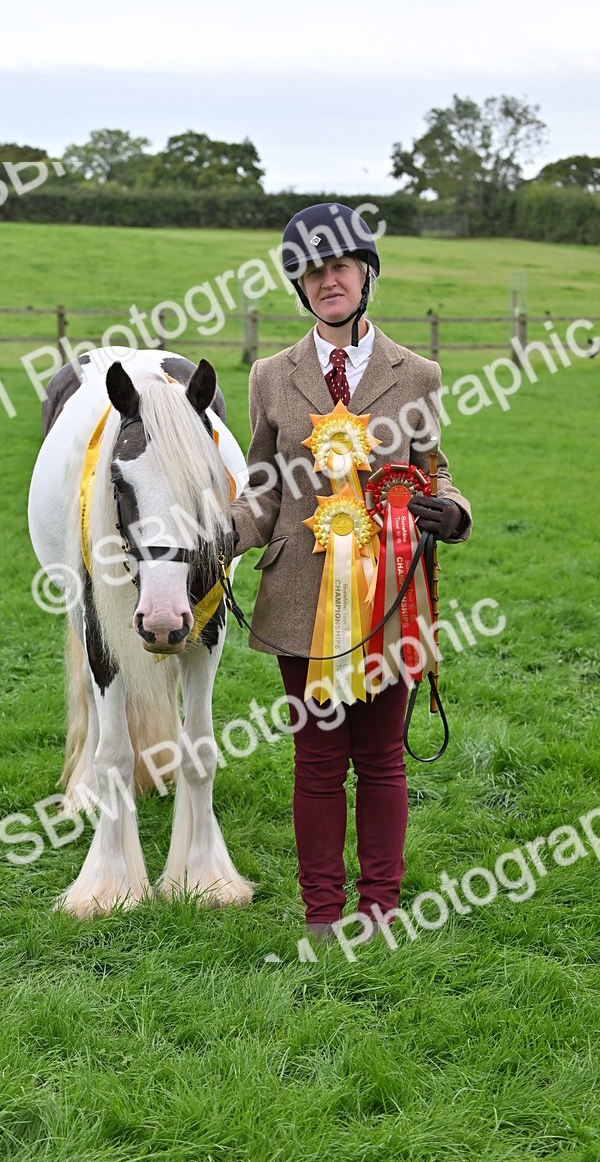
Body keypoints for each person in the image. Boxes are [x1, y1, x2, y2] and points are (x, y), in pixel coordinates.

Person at [229, 203, 471, 942]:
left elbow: (438, 473)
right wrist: (217, 538)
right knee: (317, 760)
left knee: (381, 760)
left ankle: (380, 908)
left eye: (339, 266)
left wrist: (452, 513)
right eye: (311, 271)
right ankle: (324, 913)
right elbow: (262, 489)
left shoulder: (417, 373)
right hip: (302, 597)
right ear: (300, 289)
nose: (326, 281)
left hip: (390, 597)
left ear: (366, 274)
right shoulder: (272, 377)